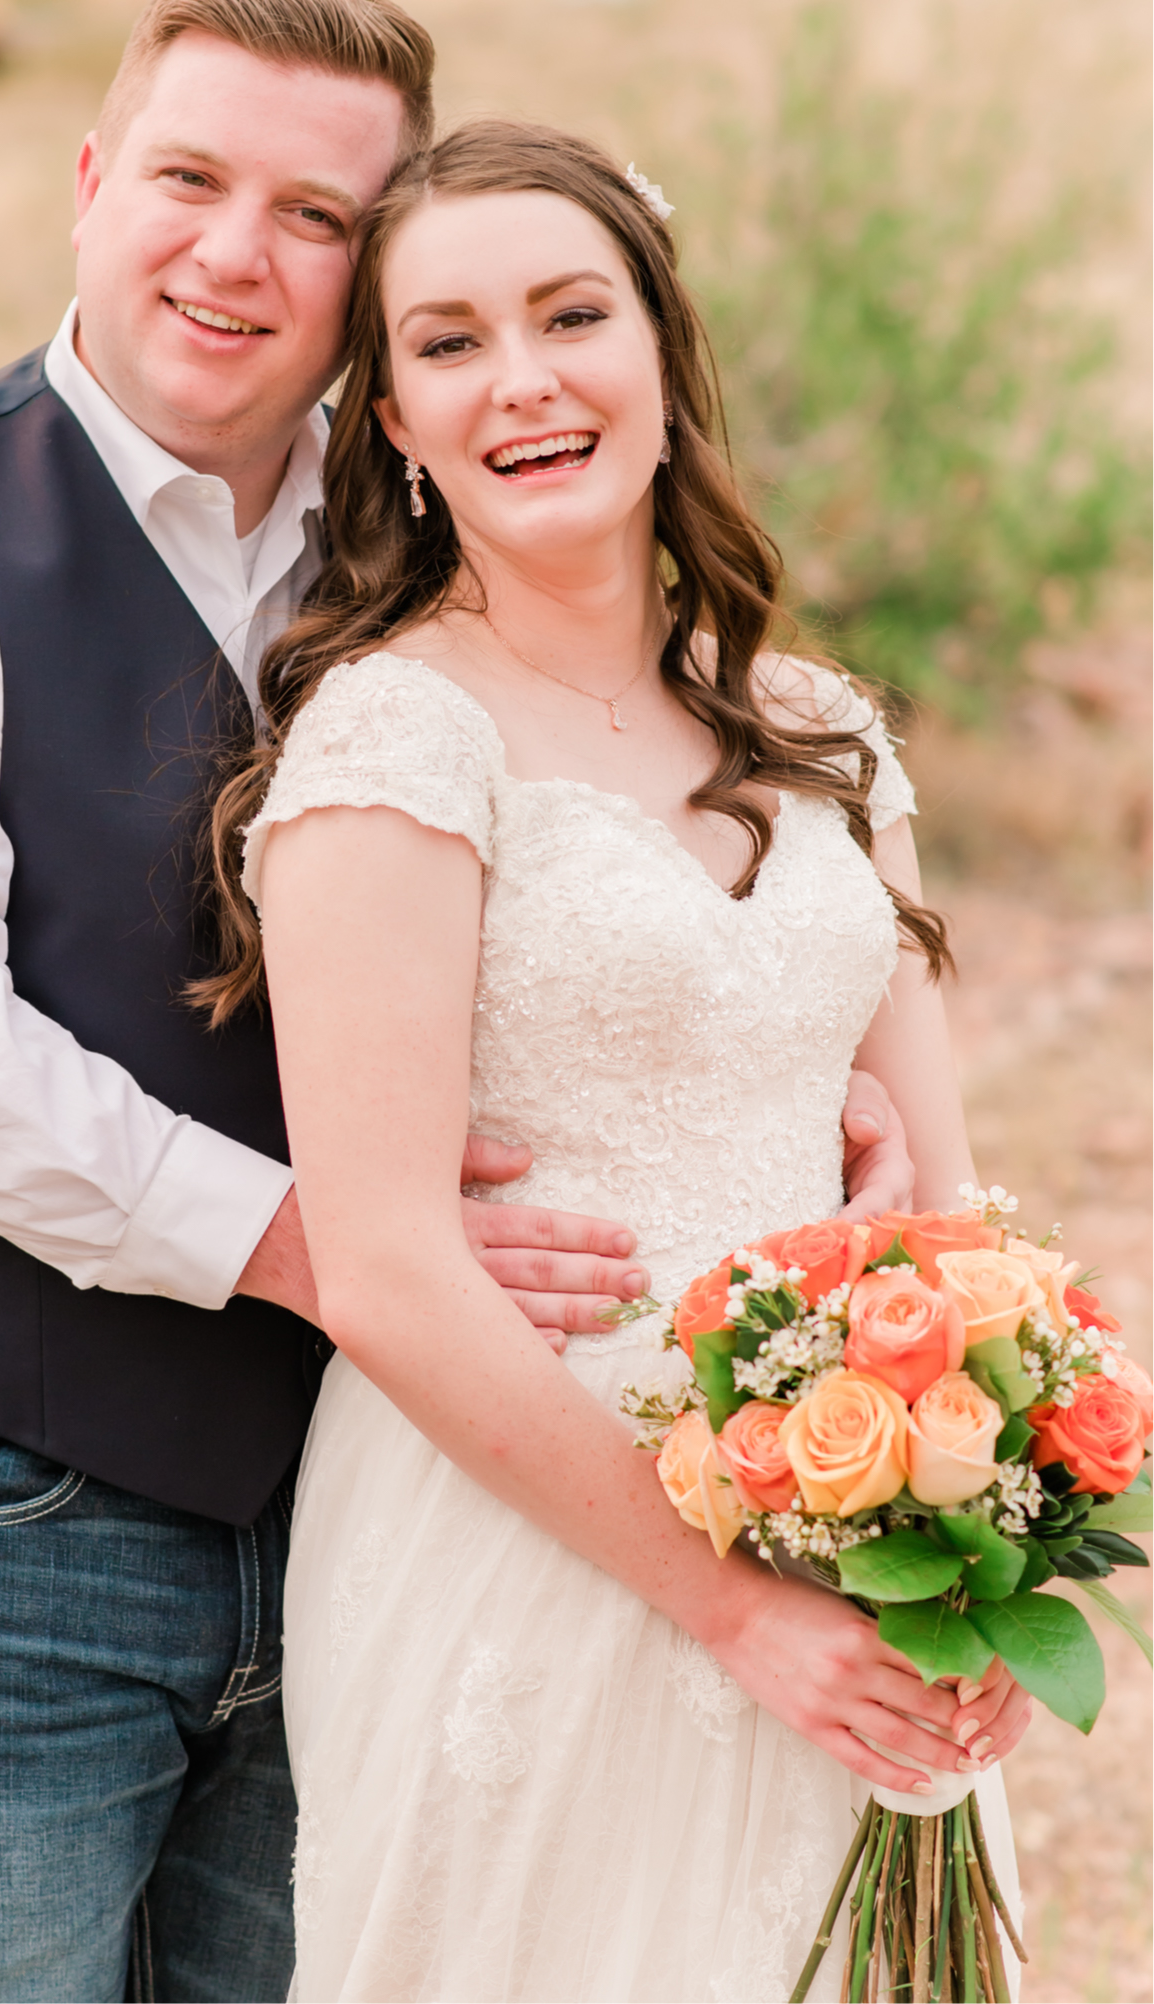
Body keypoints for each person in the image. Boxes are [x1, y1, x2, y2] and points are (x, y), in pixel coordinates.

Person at [0, 0, 913, 2004]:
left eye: (319, 216)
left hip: (379, 1497)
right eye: (190, 178)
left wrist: (766, 1041)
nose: (234, 255)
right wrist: (316, 1245)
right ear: (92, 178)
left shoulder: (431, 519)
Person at [211, 120, 1029, 2001]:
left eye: (572, 313)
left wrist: (981, 1536)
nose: (524, 380)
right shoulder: (391, 746)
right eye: (448, 342)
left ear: (661, 348)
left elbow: (955, 1200)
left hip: (858, 1509)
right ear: (396, 424)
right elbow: (397, 1273)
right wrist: (734, 1613)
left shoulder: (822, 733)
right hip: (526, 1527)